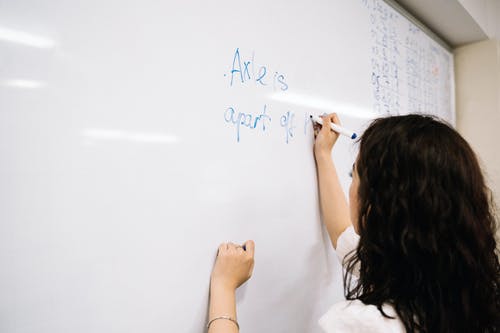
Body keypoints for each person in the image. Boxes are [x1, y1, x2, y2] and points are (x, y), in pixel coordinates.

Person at [208, 114, 500, 332]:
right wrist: (323, 155)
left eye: (355, 175)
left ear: (376, 205)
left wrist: (223, 287)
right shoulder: (456, 288)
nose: (352, 187)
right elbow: (343, 234)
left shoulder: (361, 324)